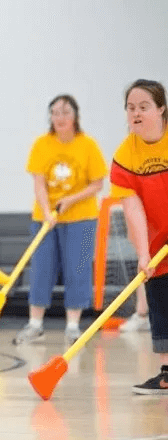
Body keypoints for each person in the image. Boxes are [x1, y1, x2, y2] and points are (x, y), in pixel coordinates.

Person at [13, 95, 106, 345]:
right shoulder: (42, 144)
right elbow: (39, 183)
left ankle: (73, 327)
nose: (60, 117)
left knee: (77, 269)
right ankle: (35, 325)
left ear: (75, 116)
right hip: (45, 219)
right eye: (55, 113)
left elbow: (97, 184)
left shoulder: (88, 145)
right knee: (42, 269)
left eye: (65, 112)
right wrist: (46, 211)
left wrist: (71, 200)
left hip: (81, 219)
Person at [110, 79, 168, 394]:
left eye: (143, 107)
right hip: (158, 241)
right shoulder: (125, 155)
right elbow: (133, 209)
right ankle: (167, 372)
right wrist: (144, 253)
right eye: (131, 108)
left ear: (161, 109)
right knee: (159, 299)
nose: (136, 113)